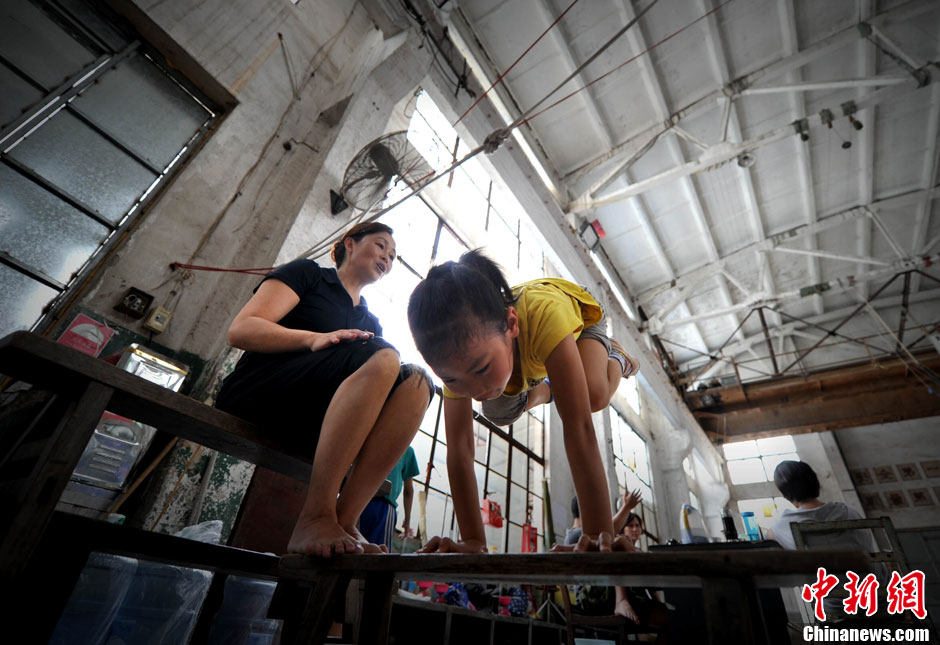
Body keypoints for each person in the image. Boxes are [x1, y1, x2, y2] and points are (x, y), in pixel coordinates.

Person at [215, 222, 432, 557]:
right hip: (260, 392)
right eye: (380, 246)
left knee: (418, 382)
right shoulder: (309, 275)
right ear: (349, 243)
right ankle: (315, 515)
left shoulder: (370, 323)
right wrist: (312, 338)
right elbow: (241, 330)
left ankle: (344, 521)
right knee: (386, 357)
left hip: (314, 420)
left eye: (392, 256)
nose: (387, 258)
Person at [407, 249, 639, 553]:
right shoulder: (460, 357)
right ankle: (552, 383)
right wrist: (473, 540)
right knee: (497, 410)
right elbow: (460, 450)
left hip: (578, 319)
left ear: (511, 323)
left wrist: (597, 534)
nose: (474, 390)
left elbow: (579, 427)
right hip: (530, 357)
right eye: (452, 380)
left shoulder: (545, 314)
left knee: (593, 396)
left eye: (481, 369)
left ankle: (616, 356)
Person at [614, 513, 668, 641]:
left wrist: (659, 604)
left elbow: (650, 587)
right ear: (622, 528)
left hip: (641, 600)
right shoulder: (619, 542)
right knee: (672, 618)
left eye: (637, 525)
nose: (635, 529)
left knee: (672, 615)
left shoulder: (639, 551)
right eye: (630, 525)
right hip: (631, 602)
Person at [358, 445, 420, 549]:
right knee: (380, 552)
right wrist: (407, 521)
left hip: (357, 501)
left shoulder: (369, 437)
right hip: (382, 506)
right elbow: (408, 491)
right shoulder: (406, 450)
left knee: (353, 546)